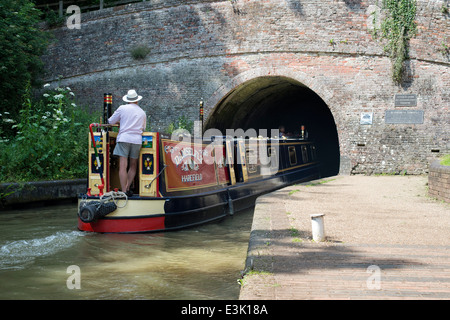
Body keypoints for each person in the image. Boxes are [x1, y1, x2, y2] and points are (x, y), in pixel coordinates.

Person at [108, 89, 146, 196]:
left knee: (123, 166)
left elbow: (110, 121)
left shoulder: (122, 108)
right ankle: (128, 186)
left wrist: (121, 122)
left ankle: (124, 190)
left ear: (128, 100)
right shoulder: (142, 112)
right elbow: (143, 128)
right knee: (133, 165)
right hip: (136, 140)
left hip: (124, 138)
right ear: (137, 101)